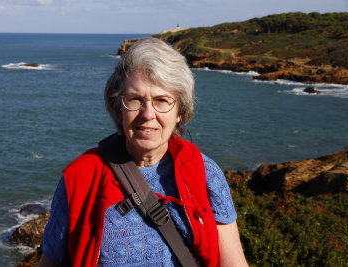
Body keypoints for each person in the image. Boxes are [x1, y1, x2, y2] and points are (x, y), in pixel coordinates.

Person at [39, 37, 248, 267]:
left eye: (162, 100)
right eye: (135, 99)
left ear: (180, 111)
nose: (148, 114)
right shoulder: (80, 178)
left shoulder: (205, 173)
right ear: (118, 107)